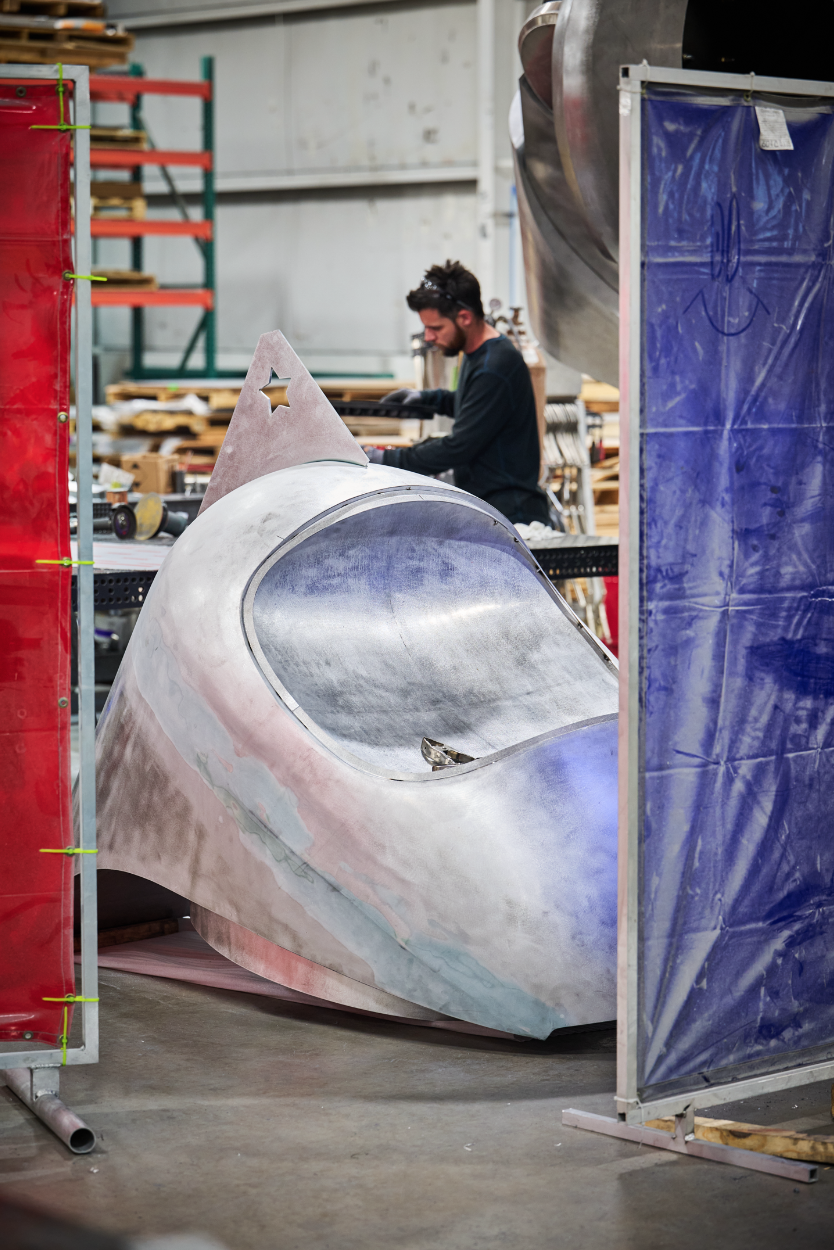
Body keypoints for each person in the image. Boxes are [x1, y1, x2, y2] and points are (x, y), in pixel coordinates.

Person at [367, 260, 551, 527]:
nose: (428, 337)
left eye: (436, 328)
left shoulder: (495, 366)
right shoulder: (479, 354)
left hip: (512, 516)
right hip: (493, 507)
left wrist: (389, 459)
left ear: (464, 317)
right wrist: (426, 399)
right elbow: (475, 406)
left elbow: (458, 447)